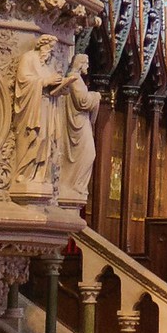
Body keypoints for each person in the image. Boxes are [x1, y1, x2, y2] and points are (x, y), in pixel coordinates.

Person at [12, 36, 62, 192]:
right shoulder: (29, 58)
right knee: (36, 137)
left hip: (47, 107)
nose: (51, 52)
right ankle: (23, 173)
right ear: (42, 45)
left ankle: (40, 176)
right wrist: (46, 81)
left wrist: (61, 85)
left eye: (53, 49)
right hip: (32, 109)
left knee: (46, 140)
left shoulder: (47, 64)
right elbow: (23, 80)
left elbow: (50, 82)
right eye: (49, 47)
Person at [56, 53, 100, 209]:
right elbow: (83, 102)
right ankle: (73, 186)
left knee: (89, 155)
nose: (87, 66)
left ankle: (76, 187)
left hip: (80, 122)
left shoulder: (77, 78)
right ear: (80, 64)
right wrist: (96, 96)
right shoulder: (74, 78)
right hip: (78, 125)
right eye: (86, 63)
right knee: (89, 154)